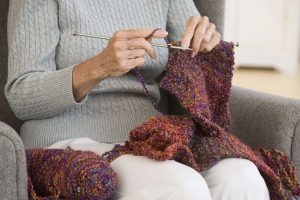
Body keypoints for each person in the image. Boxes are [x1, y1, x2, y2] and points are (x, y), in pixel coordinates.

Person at [5, 0, 270, 199]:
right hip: (69, 139)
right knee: (180, 187)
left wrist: (207, 43)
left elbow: (195, 58)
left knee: (242, 176)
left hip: (151, 139)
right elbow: (21, 95)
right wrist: (99, 66)